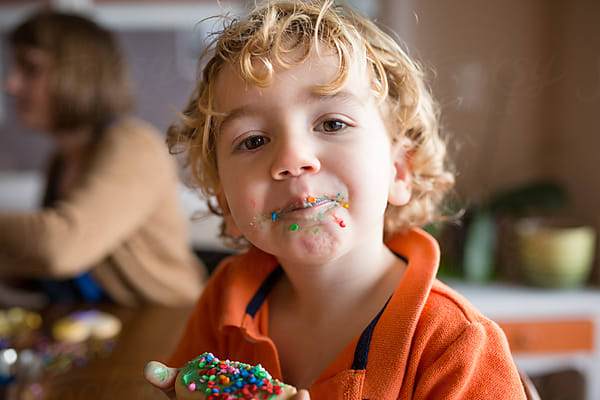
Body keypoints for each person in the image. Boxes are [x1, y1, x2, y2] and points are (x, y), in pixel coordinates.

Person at [145, 0, 526, 398]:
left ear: (399, 170)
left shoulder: (455, 344)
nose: (293, 160)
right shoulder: (227, 297)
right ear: (227, 206)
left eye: (332, 123)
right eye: (253, 140)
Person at [0, 10, 206, 306]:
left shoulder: (133, 146)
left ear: (78, 74)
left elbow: (62, 248)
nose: (11, 84)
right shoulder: (60, 161)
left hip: (167, 327)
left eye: (30, 69)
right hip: (105, 329)